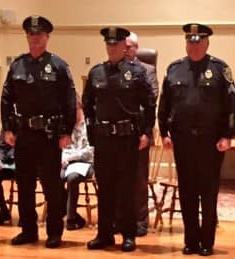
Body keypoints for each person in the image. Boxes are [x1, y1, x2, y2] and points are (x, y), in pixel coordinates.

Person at [158, 23, 235, 256]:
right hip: (183, 142)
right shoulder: (175, 69)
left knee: (208, 192)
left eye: (198, 41)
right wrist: (164, 132)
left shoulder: (220, 69)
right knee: (187, 193)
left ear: (207, 43)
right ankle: (190, 241)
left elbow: (231, 105)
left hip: (210, 143)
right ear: (186, 43)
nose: (194, 46)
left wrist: (227, 135)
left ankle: (207, 242)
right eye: (190, 41)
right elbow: (165, 105)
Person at [1, 15, 76, 248]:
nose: (35, 38)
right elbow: (6, 98)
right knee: (24, 185)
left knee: (52, 186)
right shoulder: (17, 65)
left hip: (49, 136)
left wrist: (66, 132)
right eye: (31, 34)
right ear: (27, 37)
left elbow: (70, 101)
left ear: (47, 37)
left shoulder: (58, 65)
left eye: (39, 34)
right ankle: (28, 230)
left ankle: (54, 232)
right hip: (24, 135)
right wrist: (8, 128)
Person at [83, 27, 156, 252]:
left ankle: (128, 234)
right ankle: (104, 234)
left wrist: (146, 132)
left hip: (127, 139)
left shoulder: (136, 72)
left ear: (125, 46)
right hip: (104, 139)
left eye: (116, 44)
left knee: (127, 189)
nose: (112, 48)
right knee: (104, 189)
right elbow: (87, 105)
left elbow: (149, 103)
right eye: (109, 44)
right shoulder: (96, 73)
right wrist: (92, 134)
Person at [124, 32, 159, 236]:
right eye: (124, 46)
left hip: (139, 132)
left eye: (129, 47)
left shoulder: (148, 70)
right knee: (120, 179)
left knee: (138, 180)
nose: (125, 50)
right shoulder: (115, 68)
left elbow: (151, 98)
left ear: (136, 48)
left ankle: (140, 221)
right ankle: (120, 220)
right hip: (119, 134)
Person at [60, 94, 94, 231]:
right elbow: (63, 146)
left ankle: (71, 218)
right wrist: (63, 158)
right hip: (68, 163)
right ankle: (65, 210)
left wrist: (70, 158)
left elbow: (89, 151)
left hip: (86, 163)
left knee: (72, 178)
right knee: (53, 177)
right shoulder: (67, 125)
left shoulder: (89, 124)